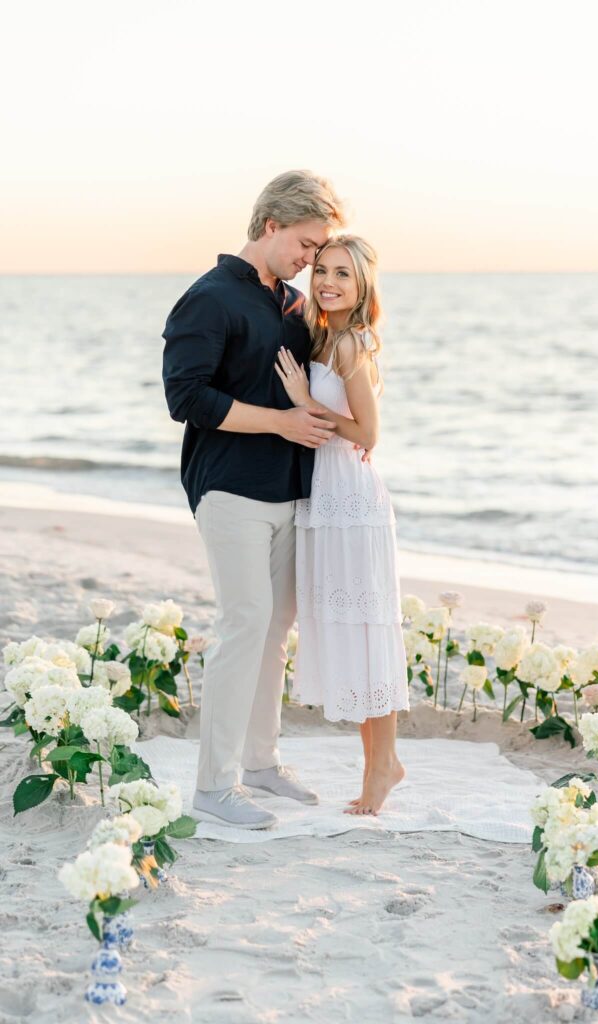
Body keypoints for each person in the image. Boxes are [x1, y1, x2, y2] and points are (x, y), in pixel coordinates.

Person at [162, 170, 346, 829]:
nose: (310, 258)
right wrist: (279, 422)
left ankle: (260, 763)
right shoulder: (208, 299)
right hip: (228, 487)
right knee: (244, 625)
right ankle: (214, 787)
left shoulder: (293, 305)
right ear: (270, 226)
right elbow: (186, 399)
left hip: (289, 490)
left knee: (273, 632)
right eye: (303, 243)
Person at [274, 235, 409, 816]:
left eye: (343, 275)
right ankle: (379, 764)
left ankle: (383, 766)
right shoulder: (322, 335)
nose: (327, 281)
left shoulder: (351, 344)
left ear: (362, 287)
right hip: (326, 498)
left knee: (367, 629)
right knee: (352, 630)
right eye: (322, 270)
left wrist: (305, 401)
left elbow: (367, 434)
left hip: (353, 501)